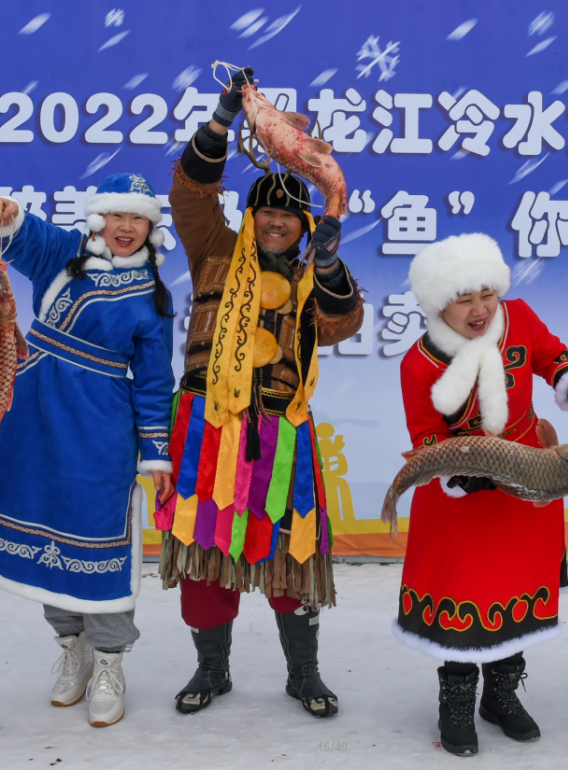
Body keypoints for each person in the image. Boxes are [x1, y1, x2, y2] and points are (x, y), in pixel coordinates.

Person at [158, 66, 363, 718]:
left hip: (281, 433)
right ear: (249, 215)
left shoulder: (313, 272)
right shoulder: (213, 250)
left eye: (287, 213)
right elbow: (191, 190)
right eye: (265, 209)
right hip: (204, 428)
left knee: (290, 552)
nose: (275, 220)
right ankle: (210, 669)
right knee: (204, 550)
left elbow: (343, 322)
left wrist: (327, 263)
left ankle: (303, 673)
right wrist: (221, 118)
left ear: (304, 224)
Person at [0, 174, 176, 728]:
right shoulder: (64, 253)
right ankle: (71, 646)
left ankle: (108, 661)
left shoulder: (153, 295)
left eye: (138, 219)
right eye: (117, 217)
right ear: (99, 219)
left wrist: (156, 454)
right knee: (44, 526)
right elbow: (20, 236)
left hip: (101, 422)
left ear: (151, 227)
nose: (126, 228)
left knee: (98, 536)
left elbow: (154, 382)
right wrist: (5, 215)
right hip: (32, 410)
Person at [396, 232, 568, 756]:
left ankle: (502, 697)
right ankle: (458, 704)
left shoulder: (520, 318)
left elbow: (553, 356)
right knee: (466, 594)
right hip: (459, 499)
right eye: (465, 299)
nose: (480, 308)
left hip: (528, 480)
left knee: (517, 586)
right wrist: (459, 473)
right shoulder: (418, 362)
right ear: (440, 303)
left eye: (486, 295)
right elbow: (425, 436)